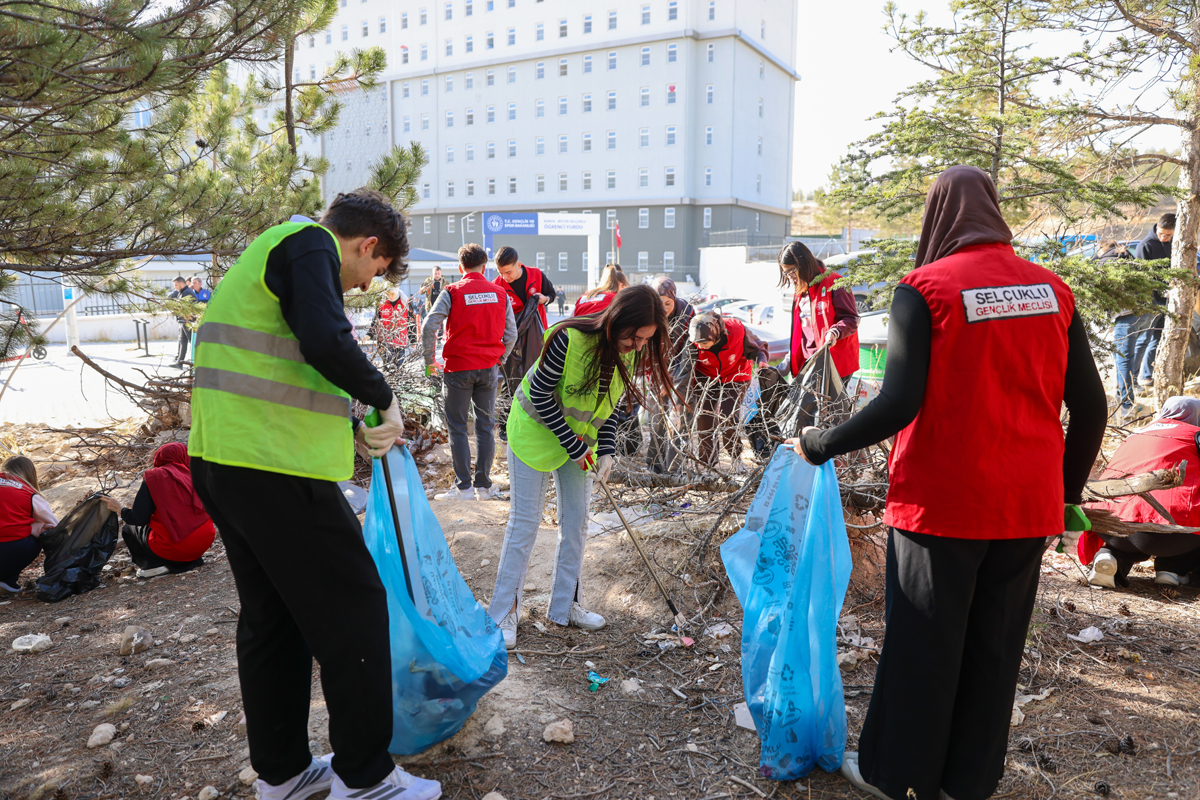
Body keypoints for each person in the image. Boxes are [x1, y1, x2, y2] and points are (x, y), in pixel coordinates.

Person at [787, 166, 1107, 800]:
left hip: (942, 506)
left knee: (922, 647)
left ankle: (898, 778)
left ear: (938, 216)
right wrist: (1065, 497)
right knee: (996, 648)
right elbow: (1092, 409)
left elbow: (899, 403)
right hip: (1026, 507)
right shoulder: (1053, 291)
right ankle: (968, 782)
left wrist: (819, 444)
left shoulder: (925, 289)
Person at [187, 188, 441, 800]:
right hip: (274, 468)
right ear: (367, 244)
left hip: (223, 461)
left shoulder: (275, 249)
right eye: (375, 270)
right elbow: (326, 341)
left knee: (274, 619)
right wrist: (384, 398)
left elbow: (285, 363)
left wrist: (348, 424)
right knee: (356, 608)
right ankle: (367, 778)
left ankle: (283, 774)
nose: (365, 285)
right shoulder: (311, 245)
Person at [490, 285, 674, 649]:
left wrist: (606, 450)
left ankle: (565, 606)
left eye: (644, 340)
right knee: (525, 523)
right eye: (634, 337)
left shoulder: (629, 353)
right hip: (534, 433)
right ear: (618, 320)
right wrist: (574, 445)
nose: (637, 346)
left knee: (576, 524)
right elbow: (540, 393)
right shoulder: (568, 339)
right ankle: (503, 613)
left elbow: (609, 405)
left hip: (579, 441)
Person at [422, 243, 517, 501]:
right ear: (484, 267)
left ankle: (463, 488)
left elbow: (429, 326)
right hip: (488, 370)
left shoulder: (452, 292)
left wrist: (429, 360)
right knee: (486, 428)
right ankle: (483, 487)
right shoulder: (500, 293)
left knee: (458, 428)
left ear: (460, 267)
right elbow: (512, 334)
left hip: (458, 369)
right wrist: (499, 359)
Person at [1080, 396, 1200, 588]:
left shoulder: (1135, 434)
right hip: (1173, 534)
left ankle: (1109, 556)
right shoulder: (1195, 435)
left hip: (1107, 523)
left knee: (1128, 531)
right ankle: (1173, 569)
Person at [100, 443, 215, 578]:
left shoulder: (155, 477)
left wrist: (120, 509)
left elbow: (138, 518)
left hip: (176, 547)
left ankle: (152, 566)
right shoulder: (196, 474)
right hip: (205, 541)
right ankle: (191, 559)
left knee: (128, 529)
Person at [688, 311, 769, 473]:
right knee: (704, 417)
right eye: (697, 343)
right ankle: (708, 463)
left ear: (716, 335)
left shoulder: (737, 330)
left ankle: (736, 459)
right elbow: (685, 364)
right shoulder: (694, 338)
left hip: (736, 374)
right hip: (706, 374)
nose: (700, 346)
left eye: (704, 343)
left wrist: (762, 360)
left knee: (727, 417)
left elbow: (759, 346)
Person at [775, 241, 860, 382]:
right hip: (809, 362)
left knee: (826, 398)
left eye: (792, 271)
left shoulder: (835, 282)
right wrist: (787, 362)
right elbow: (801, 332)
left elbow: (852, 319)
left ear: (804, 265)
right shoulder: (800, 289)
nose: (789, 276)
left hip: (835, 363)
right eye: (785, 272)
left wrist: (835, 332)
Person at [646, 277, 695, 473]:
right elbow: (650, 350)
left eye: (668, 303)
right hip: (657, 372)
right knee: (657, 417)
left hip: (683, 373)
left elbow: (688, 354)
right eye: (659, 303)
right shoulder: (648, 314)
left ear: (675, 299)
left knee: (679, 419)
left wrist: (673, 384)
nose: (664, 308)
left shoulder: (687, 315)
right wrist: (661, 380)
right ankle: (654, 466)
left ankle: (675, 468)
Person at [1099, 240, 1149, 419]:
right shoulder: (1129, 259)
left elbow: (1103, 294)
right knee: (1128, 355)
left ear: (1101, 249)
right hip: (1146, 313)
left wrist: (1107, 319)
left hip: (1126, 316)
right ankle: (1123, 395)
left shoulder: (1104, 262)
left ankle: (1126, 404)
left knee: (1123, 360)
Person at [0, 456, 57, 594]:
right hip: (11, 549)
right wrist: (35, 527)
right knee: (40, 537)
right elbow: (54, 525)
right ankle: (7, 580)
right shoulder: (28, 493)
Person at [1134, 212, 1175, 389]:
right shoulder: (1145, 245)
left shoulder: (1175, 244)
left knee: (1157, 340)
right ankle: (1132, 378)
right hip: (1150, 301)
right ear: (1157, 227)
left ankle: (1146, 375)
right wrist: (1156, 291)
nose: (1164, 238)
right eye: (1161, 233)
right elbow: (1141, 277)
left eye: (1168, 235)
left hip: (1169, 301)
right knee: (1144, 339)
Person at [493, 246, 553, 330]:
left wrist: (546, 299)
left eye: (508, 272)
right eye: (500, 273)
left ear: (518, 265)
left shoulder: (536, 274)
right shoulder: (496, 285)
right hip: (514, 334)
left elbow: (551, 294)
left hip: (539, 331)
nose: (504, 277)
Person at [373, 285, 408, 367]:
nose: (390, 296)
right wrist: (370, 334)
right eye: (387, 294)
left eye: (392, 294)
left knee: (399, 365)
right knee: (388, 364)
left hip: (401, 339)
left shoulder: (405, 302)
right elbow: (376, 320)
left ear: (396, 291)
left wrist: (413, 339)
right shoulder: (381, 304)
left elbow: (411, 320)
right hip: (386, 339)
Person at [168, 276, 198, 369]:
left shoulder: (187, 293)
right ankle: (179, 363)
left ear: (181, 283)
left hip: (187, 321)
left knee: (192, 342)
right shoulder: (182, 292)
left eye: (176, 285)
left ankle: (197, 363)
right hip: (183, 321)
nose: (175, 287)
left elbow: (183, 308)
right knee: (182, 342)